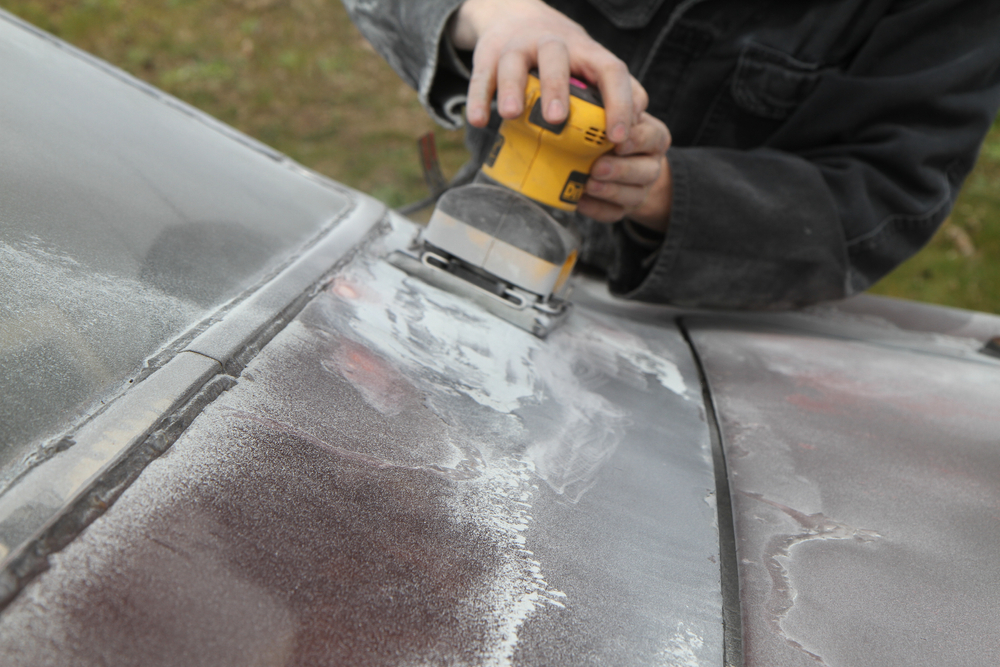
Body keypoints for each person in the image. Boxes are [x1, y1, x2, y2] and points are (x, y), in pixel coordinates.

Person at [342, 0, 1000, 309]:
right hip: (470, 239)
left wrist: (662, 192)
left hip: (695, 334)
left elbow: (887, 189)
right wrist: (497, 16)